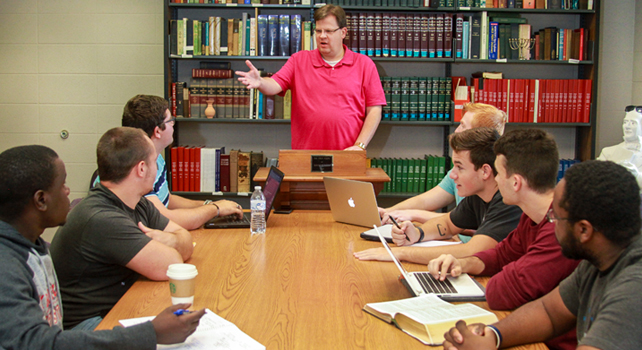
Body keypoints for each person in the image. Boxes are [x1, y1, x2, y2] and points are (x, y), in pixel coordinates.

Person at [0, 145, 205, 350]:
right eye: (62, 185)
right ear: (41, 200)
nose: (68, 191)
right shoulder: (6, 265)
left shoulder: (30, 244)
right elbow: (35, 343)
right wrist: (152, 332)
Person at [442, 160, 642, 350]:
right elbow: (549, 312)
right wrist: (492, 336)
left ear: (583, 231)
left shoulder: (633, 290)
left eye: (555, 216)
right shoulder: (599, 258)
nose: (550, 222)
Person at [428, 129, 579, 350]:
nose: (496, 180)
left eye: (498, 173)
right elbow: (501, 254)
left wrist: (509, 269)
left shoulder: (558, 230)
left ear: (516, 182)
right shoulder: (532, 216)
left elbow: (502, 292)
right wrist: (463, 263)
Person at [51, 127, 195, 330]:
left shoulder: (137, 202)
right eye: (155, 162)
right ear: (142, 168)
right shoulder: (102, 218)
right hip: (88, 326)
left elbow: (185, 239)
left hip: (118, 306)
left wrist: (172, 241)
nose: (157, 168)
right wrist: (174, 245)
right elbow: (171, 264)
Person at [354, 127, 522, 264]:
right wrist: (418, 234)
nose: (452, 175)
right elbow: (449, 224)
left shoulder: (508, 202)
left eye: (459, 167)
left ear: (485, 171)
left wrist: (400, 253)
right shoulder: (478, 195)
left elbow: (471, 252)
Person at [235, 4, 386, 150]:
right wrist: (260, 82)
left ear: (343, 32)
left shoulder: (364, 65)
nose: (322, 36)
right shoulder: (299, 60)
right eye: (318, 31)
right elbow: (275, 84)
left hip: (348, 156)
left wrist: (360, 146)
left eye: (328, 31)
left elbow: (374, 111)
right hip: (306, 157)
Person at [104, 94, 243, 230]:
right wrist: (215, 209)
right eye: (170, 120)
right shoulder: (137, 170)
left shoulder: (156, 158)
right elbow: (166, 219)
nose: (173, 124)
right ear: (157, 131)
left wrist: (208, 205)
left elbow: (167, 200)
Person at [379, 103, 507, 226]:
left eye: (462, 125)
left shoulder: (490, 184)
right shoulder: (459, 172)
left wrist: (412, 215)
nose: (456, 131)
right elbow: (427, 201)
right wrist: (388, 212)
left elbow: (461, 223)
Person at [597, 105, 642, 188]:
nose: (627, 127)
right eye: (625, 122)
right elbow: (596, 180)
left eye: (633, 123)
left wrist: (636, 176)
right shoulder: (608, 152)